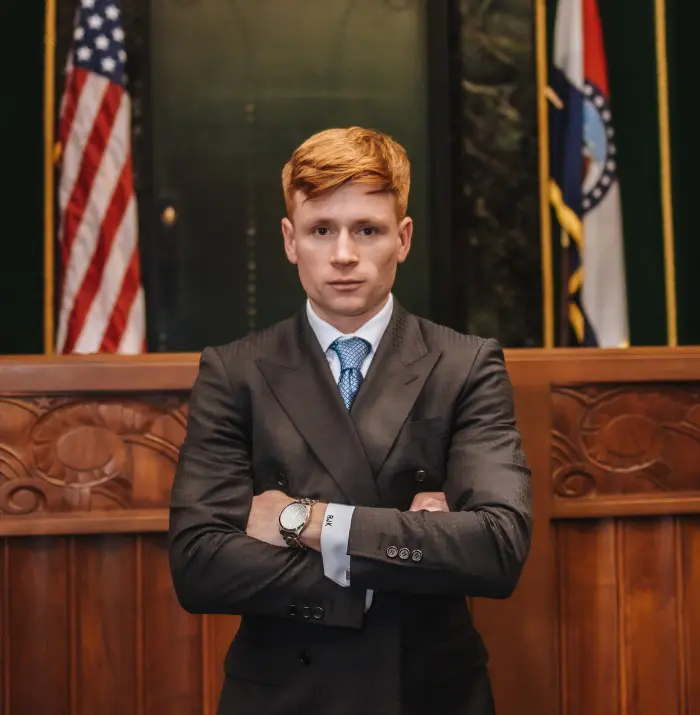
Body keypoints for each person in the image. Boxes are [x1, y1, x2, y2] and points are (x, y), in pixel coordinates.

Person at [168, 127, 532, 715]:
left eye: (367, 229)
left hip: (427, 693)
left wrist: (300, 519)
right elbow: (200, 567)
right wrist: (412, 550)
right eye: (321, 230)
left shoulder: (466, 365)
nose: (343, 254)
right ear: (290, 241)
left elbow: (496, 547)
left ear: (403, 238)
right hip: (284, 694)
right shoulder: (234, 371)